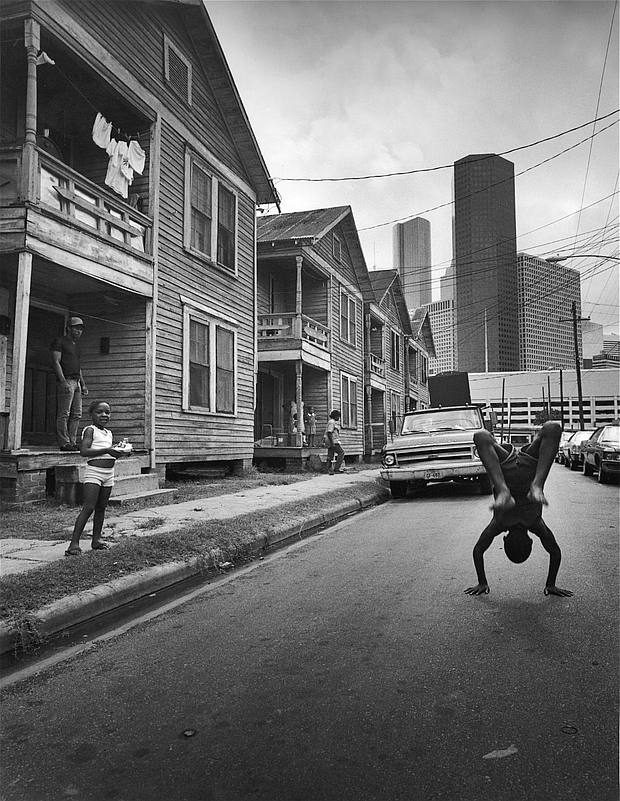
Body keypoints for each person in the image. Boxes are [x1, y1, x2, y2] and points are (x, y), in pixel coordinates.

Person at [464, 421, 573, 598]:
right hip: (510, 471)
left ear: (530, 541)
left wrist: (551, 583)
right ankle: (527, 486)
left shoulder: (535, 524)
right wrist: (482, 581)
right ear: (505, 540)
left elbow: (555, 551)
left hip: (525, 469)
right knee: (480, 436)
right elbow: (478, 550)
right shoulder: (500, 523)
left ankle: (514, 489)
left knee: (553, 428)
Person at [65, 400, 130, 556]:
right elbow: (84, 451)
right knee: (89, 507)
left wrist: (120, 453)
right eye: (99, 412)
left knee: (101, 508)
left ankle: (96, 540)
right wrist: (108, 449)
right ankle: (73, 544)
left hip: (109, 474)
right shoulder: (90, 430)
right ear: (91, 414)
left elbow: (108, 453)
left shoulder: (108, 433)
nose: (104, 415)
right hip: (94, 472)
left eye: (107, 412)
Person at [51, 316, 88, 451]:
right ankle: (64, 443)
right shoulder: (59, 342)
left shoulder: (76, 347)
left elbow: (78, 368)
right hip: (66, 381)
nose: (79, 332)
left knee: (77, 413)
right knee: (64, 413)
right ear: (69, 328)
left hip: (76, 381)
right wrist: (63, 381)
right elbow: (56, 362)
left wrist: (83, 384)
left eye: (80, 329)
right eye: (76, 328)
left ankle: (72, 442)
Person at [325, 409, 345, 475]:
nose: (339, 418)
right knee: (341, 452)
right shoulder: (332, 422)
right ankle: (336, 468)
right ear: (335, 416)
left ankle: (327, 469)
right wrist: (332, 442)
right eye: (338, 417)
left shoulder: (331, 422)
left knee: (330, 455)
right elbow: (329, 432)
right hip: (333, 440)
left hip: (330, 440)